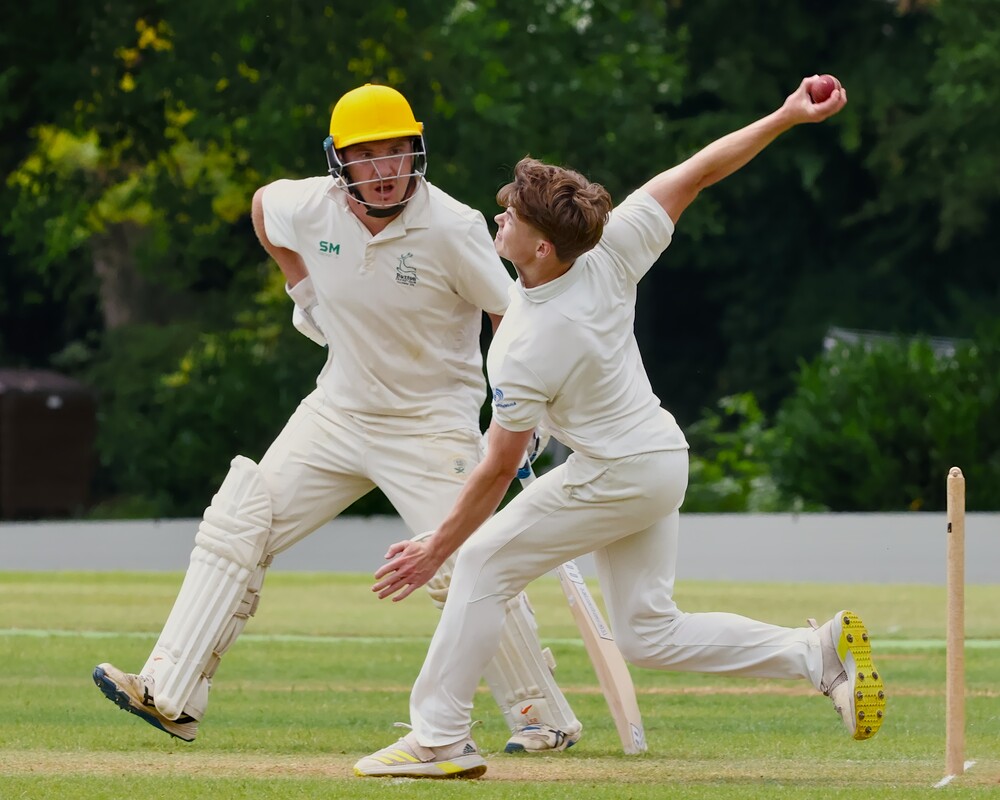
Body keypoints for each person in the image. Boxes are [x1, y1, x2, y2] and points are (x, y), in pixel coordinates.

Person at [354, 75, 887, 780]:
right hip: (660, 459)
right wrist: (785, 115)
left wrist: (437, 546)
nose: (498, 219)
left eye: (510, 217)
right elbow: (702, 170)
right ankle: (816, 652)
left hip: (618, 473)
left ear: (543, 248)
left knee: (481, 563)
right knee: (646, 631)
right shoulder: (612, 248)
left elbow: (493, 471)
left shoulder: (523, 341)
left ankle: (438, 738)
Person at [92, 83, 584, 754]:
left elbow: (511, 316)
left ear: (416, 154)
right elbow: (263, 208)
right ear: (340, 163)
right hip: (339, 408)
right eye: (368, 156)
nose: (385, 171)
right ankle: (170, 692)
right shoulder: (311, 207)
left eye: (397, 153)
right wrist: (300, 284)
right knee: (241, 519)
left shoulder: (453, 227)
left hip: (430, 419)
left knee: (462, 565)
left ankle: (542, 717)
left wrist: (523, 411)